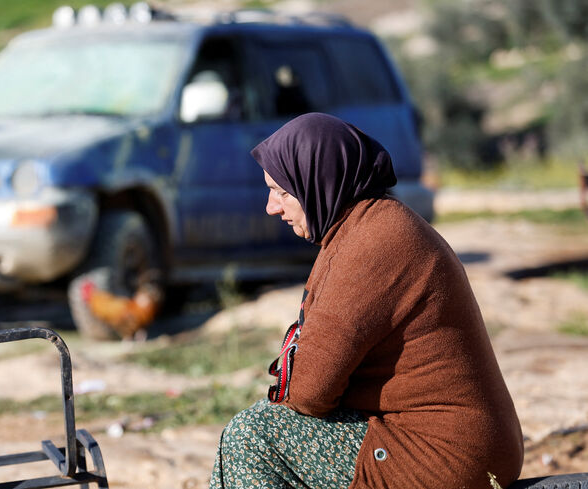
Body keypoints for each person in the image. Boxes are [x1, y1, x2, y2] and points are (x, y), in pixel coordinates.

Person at [208, 113, 523, 489]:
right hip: (448, 442)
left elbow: (309, 392)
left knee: (253, 437)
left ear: (316, 180)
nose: (271, 207)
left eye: (281, 191)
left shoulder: (373, 244)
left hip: (445, 454)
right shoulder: (363, 227)